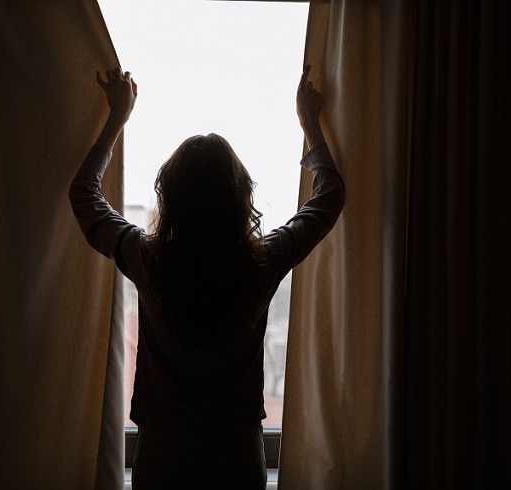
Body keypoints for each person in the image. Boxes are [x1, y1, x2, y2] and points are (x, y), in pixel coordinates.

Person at [70, 65, 345, 489]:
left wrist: (116, 120)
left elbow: (84, 195)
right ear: (240, 199)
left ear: (170, 197)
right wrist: (310, 125)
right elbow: (329, 197)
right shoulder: (263, 261)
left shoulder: (147, 258)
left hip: (163, 457)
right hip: (237, 458)